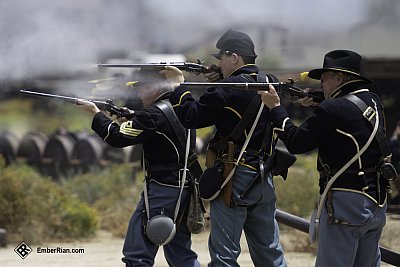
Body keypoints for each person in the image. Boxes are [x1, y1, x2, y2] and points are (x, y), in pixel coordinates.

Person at [164, 29, 287, 267]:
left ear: (235, 57)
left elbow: (191, 117)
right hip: (263, 175)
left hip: (234, 177)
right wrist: (221, 79)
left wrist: (179, 88)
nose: (218, 62)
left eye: (222, 57)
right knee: (269, 254)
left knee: (224, 256)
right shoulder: (269, 81)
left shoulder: (228, 87)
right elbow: (238, 98)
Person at [259, 50, 390, 266]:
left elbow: (295, 142)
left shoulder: (332, 109)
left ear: (339, 78)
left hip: (346, 205)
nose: (320, 83)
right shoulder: (373, 101)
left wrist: (275, 108)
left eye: (324, 77)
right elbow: (350, 117)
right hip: (376, 201)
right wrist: (321, 101)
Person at [77, 69, 200, 267]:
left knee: (137, 254)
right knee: (181, 254)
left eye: (141, 87)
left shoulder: (152, 115)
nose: (139, 94)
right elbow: (159, 124)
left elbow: (116, 137)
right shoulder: (182, 107)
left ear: (153, 87)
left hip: (163, 189)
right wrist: (131, 116)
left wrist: (96, 114)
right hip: (184, 187)